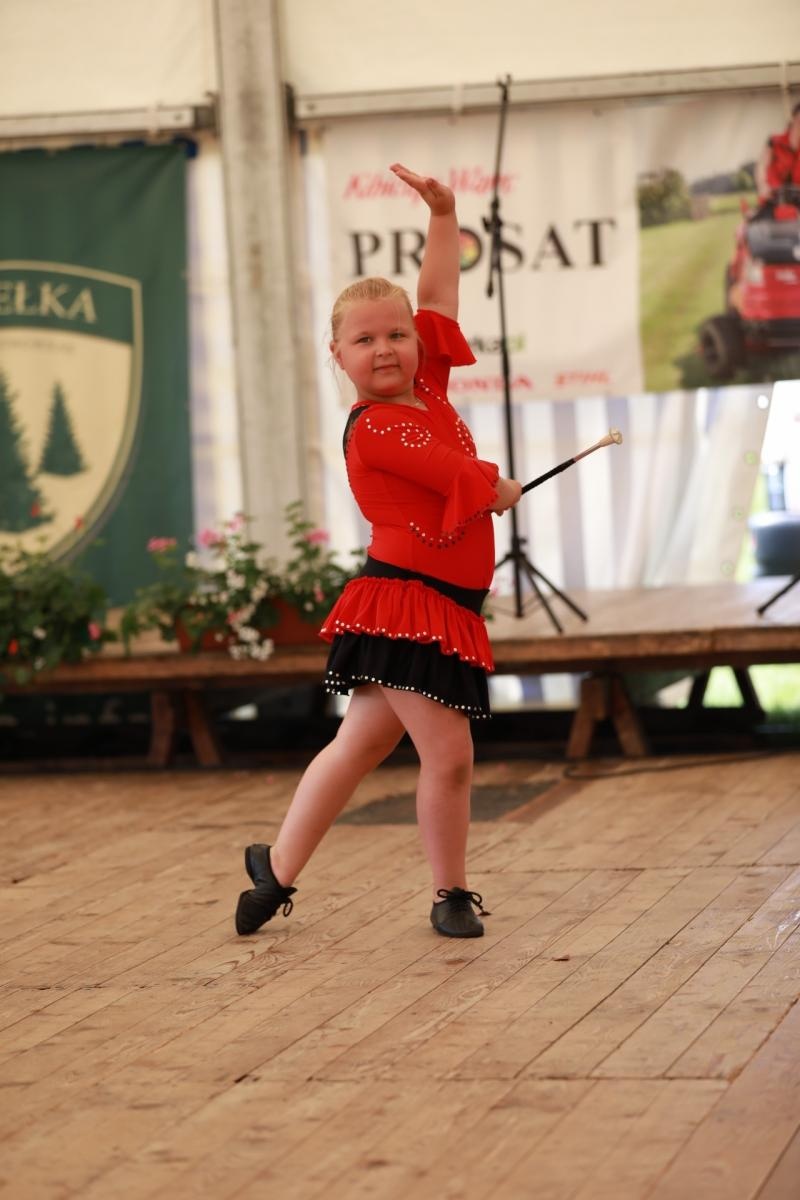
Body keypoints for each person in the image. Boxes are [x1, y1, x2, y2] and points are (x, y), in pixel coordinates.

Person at [235, 162, 521, 941]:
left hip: (444, 606)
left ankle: (276, 869)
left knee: (358, 743)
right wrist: (491, 482)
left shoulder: (429, 392)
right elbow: (444, 473)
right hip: (408, 605)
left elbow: (437, 297)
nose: (387, 348)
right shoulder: (375, 426)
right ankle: (450, 893)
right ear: (338, 354)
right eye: (366, 340)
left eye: (397, 335)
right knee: (450, 753)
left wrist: (443, 214)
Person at [755, 100, 800, 199]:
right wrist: (763, 185)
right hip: (773, 197)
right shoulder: (774, 142)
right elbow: (762, 165)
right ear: (793, 119)